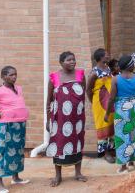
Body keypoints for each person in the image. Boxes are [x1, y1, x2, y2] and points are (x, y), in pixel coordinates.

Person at [0, 66, 30, 193]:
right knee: (1, 152)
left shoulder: (18, 88)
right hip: (6, 126)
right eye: (11, 75)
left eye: (15, 74)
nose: (14, 77)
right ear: (3, 77)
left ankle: (16, 178)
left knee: (18, 151)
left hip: (19, 124)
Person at [46, 51, 87, 187]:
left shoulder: (80, 74)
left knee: (78, 142)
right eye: (68, 60)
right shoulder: (54, 77)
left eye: (73, 59)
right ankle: (58, 175)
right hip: (60, 119)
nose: (72, 62)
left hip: (77, 118)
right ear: (61, 62)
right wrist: (48, 120)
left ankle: (78, 173)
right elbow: (49, 100)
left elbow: (82, 93)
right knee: (59, 143)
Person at [104, 54, 135, 173]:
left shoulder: (116, 79)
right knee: (133, 135)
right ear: (131, 65)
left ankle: (123, 166)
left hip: (121, 112)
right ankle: (131, 162)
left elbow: (112, 98)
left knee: (121, 136)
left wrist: (107, 114)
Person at [86, 48, 115, 163]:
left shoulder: (107, 68)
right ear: (100, 57)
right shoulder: (94, 72)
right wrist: (93, 102)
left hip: (109, 102)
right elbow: (88, 89)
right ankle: (105, 153)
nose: (108, 56)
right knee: (103, 125)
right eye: (106, 55)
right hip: (99, 102)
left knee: (110, 124)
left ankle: (111, 149)